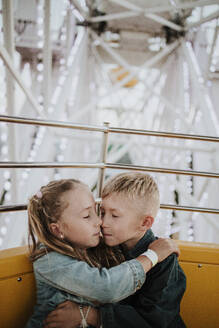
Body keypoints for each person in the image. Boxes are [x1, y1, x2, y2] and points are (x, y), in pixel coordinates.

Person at [25, 178, 179, 328]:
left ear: (145, 223)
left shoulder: (165, 262)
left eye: (115, 215)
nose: (101, 222)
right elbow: (106, 286)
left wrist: (90, 315)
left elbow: (156, 320)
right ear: (57, 229)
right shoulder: (57, 258)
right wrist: (152, 255)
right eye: (102, 212)